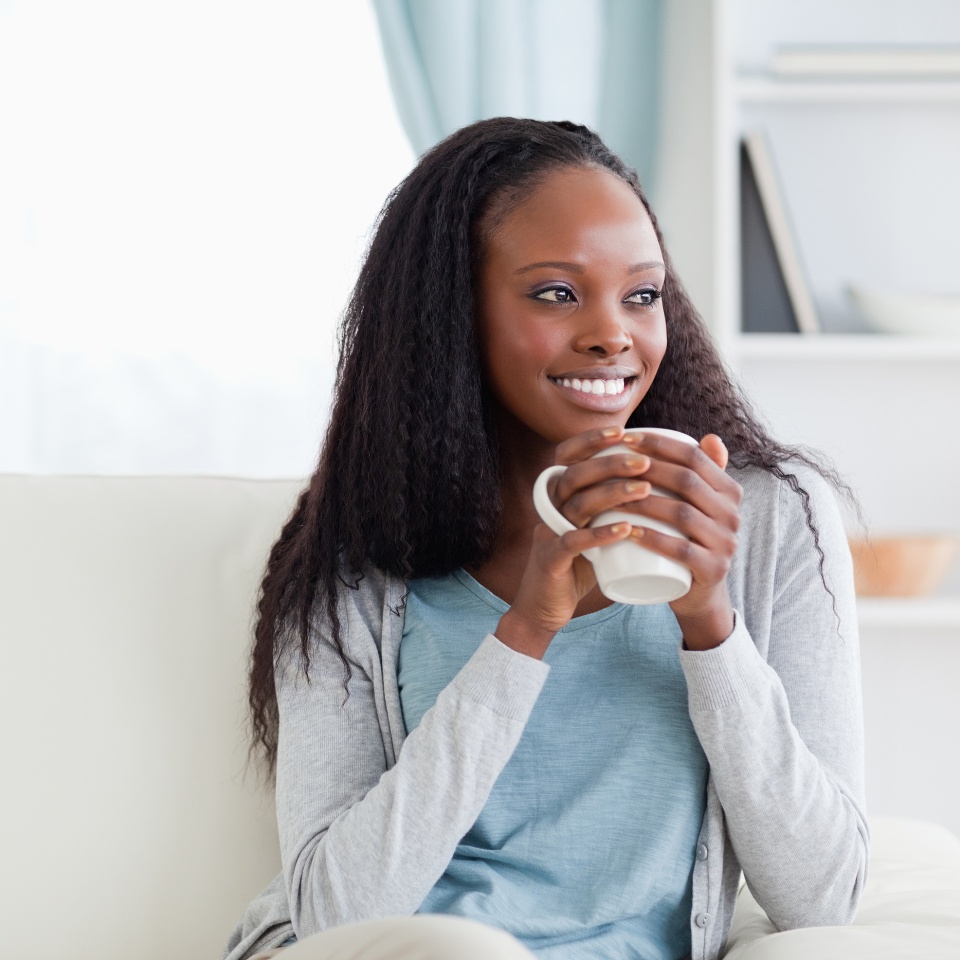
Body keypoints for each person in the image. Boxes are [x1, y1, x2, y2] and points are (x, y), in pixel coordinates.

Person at [224, 118, 868, 960]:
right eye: (556, 293)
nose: (614, 334)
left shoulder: (776, 518)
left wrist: (711, 622)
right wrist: (525, 630)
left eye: (642, 295)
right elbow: (338, 913)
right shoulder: (358, 550)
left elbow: (823, 897)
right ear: (452, 314)